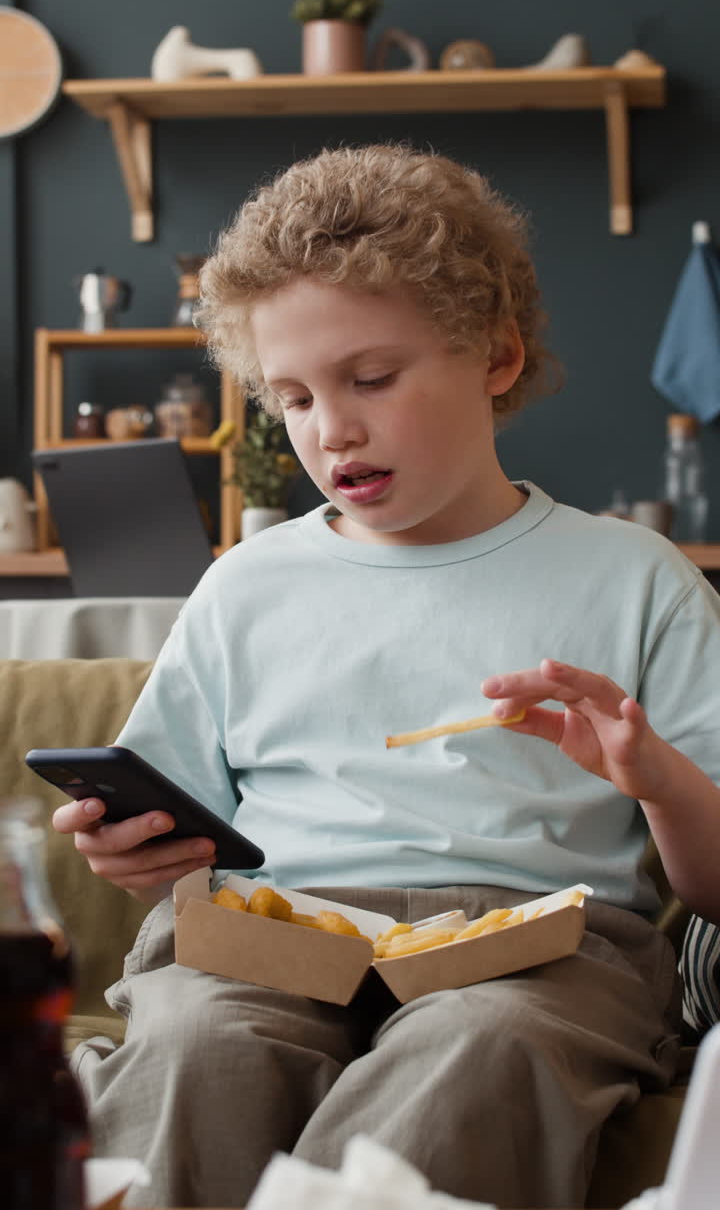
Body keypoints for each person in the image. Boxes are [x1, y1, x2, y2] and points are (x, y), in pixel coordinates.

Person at [54, 144, 720, 1210]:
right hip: (273, 931)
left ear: (496, 356)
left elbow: (712, 886)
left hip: (534, 949)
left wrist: (658, 779)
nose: (332, 429)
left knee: (479, 1047)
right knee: (196, 1046)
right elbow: (172, 827)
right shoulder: (248, 585)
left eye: (369, 378)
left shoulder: (637, 578)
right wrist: (130, 850)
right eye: (293, 397)